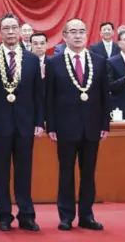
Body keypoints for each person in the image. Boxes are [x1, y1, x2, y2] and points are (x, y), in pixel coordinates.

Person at [0, 13, 43, 232]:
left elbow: (38, 95)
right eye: (6, 28)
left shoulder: (32, 59)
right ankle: (4, 216)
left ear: (21, 31)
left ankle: (27, 215)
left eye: (14, 28)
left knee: (25, 172)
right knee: (1, 172)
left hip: (25, 125)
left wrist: (39, 122)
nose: (11, 32)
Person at [45, 18, 108, 231]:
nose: (78, 35)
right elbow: (49, 97)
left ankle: (87, 215)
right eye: (73, 32)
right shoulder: (54, 62)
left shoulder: (99, 61)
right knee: (66, 172)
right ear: (64, 35)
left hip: (92, 127)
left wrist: (105, 124)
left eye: (82, 31)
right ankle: (66, 216)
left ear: (87, 34)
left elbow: (104, 95)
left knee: (89, 173)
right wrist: (51, 126)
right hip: (64, 127)